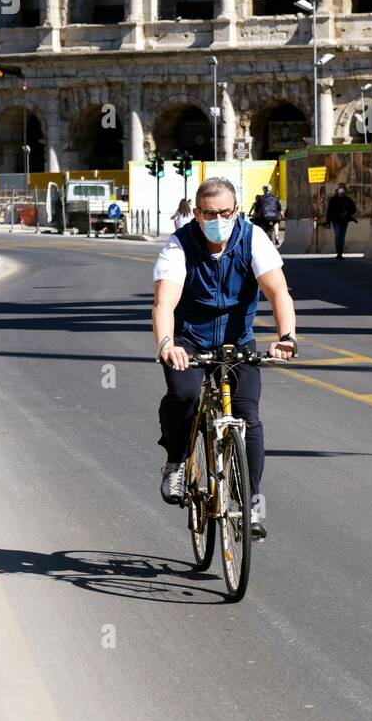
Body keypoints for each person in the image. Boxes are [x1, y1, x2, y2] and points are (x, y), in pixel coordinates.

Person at [151, 176, 298, 541]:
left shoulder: (253, 238)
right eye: (210, 213)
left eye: (226, 212)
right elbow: (164, 303)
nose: (219, 218)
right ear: (197, 213)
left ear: (237, 210)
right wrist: (168, 344)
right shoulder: (179, 244)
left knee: (248, 418)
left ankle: (249, 504)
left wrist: (286, 337)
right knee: (184, 396)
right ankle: (177, 460)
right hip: (190, 341)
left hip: (238, 344)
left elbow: (278, 291)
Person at [325, 183, 357, 259]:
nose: (341, 190)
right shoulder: (333, 200)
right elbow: (329, 211)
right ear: (337, 190)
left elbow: (353, 210)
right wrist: (328, 222)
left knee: (342, 237)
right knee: (338, 235)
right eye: (340, 188)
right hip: (335, 221)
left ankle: (340, 253)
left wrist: (347, 212)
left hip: (344, 221)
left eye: (343, 189)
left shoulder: (348, 200)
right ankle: (338, 251)